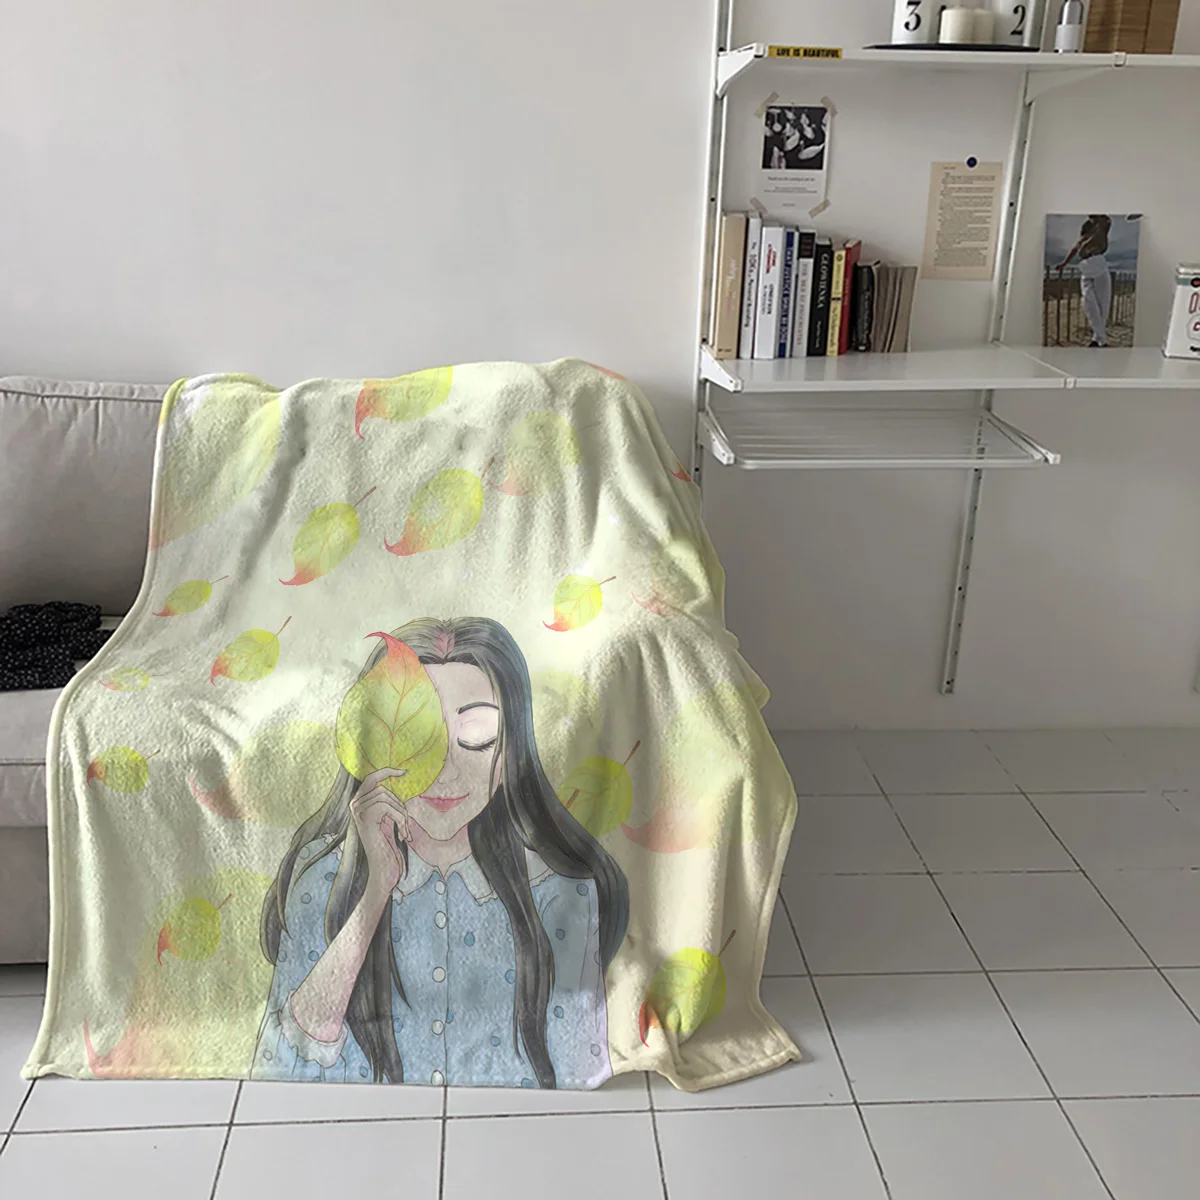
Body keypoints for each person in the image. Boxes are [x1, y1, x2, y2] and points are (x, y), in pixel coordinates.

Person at [252, 616, 629, 1088]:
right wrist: (375, 892)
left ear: (511, 749)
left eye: (477, 733)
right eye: (417, 736)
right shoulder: (323, 878)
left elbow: (577, 1070)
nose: (445, 769)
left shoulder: (560, 891)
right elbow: (278, 1069)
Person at [1055, 214, 1113, 347]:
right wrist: (1064, 264)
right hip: (1086, 266)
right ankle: (1101, 338)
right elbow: (1074, 250)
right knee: (1088, 300)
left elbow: (1104, 218)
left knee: (1102, 304)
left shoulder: (1102, 225)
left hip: (1098, 262)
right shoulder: (1083, 239)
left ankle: (1097, 339)